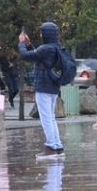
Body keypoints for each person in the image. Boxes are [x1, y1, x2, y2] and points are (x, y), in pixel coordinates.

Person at [19, 22, 72, 159]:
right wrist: (29, 45)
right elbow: (38, 56)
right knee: (51, 118)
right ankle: (57, 146)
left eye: (42, 32)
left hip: (43, 87)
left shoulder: (46, 48)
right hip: (53, 88)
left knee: (46, 119)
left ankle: (51, 148)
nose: (40, 34)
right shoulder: (55, 48)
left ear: (46, 34)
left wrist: (21, 44)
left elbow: (26, 56)